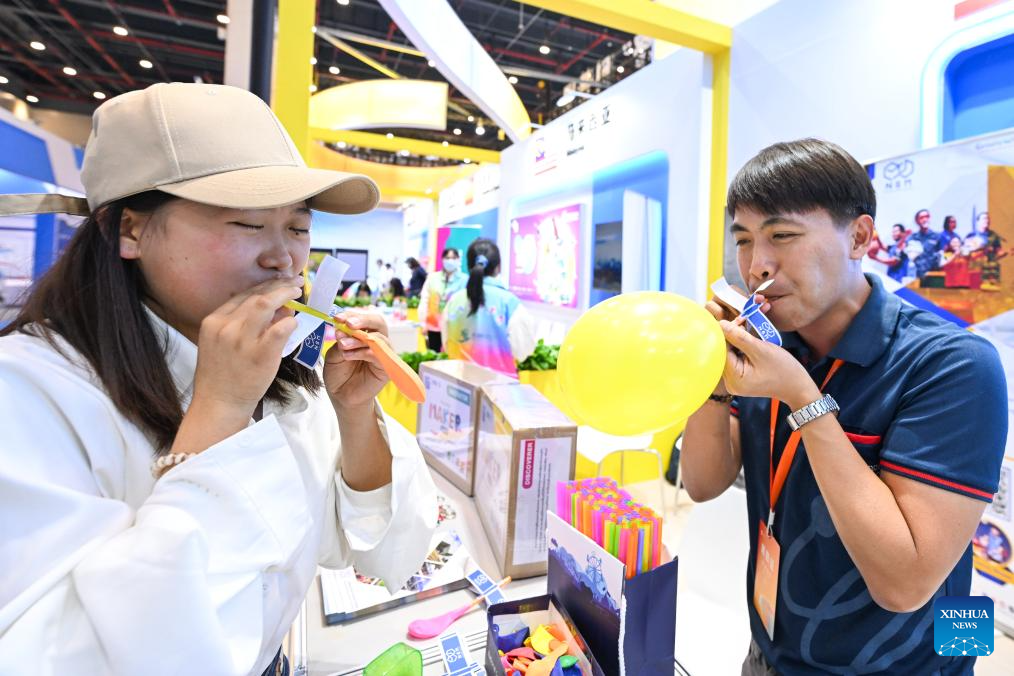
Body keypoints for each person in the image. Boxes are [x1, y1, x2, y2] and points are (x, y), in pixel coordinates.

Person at [0, 83, 437, 675]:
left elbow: (379, 550)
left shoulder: (281, 369)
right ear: (129, 230)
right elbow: (69, 656)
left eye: (298, 227)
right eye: (248, 223)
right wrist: (221, 411)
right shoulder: (27, 391)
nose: (282, 258)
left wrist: (354, 411)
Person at [681, 139, 1006, 675]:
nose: (757, 266)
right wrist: (710, 375)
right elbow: (702, 482)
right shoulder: (770, 342)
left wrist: (803, 399)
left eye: (782, 236)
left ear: (858, 237)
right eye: (743, 240)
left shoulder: (952, 365)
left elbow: (905, 583)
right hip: (770, 652)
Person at [442, 238, 537, 377]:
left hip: (459, 383)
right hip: (499, 386)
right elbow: (523, 351)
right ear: (498, 267)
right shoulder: (510, 303)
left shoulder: (454, 301)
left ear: (469, 266)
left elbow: (447, 343)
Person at [418, 247, 467, 352]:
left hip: (454, 327)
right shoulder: (432, 278)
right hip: (433, 326)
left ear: (458, 260)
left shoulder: (464, 280)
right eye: (447, 258)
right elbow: (424, 300)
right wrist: (423, 323)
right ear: (442, 259)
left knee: (451, 356)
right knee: (433, 356)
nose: (450, 261)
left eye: (453, 258)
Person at [910, 208, 940, 278]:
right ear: (917, 221)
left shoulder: (937, 236)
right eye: (921, 218)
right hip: (917, 274)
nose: (925, 219)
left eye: (927, 217)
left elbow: (942, 255)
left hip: (934, 274)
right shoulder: (913, 238)